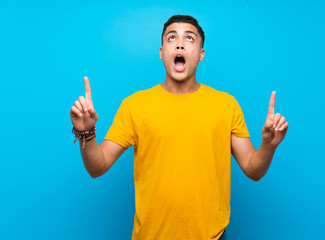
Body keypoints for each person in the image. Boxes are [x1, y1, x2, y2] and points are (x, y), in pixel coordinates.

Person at [70, 15, 288, 240]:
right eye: (172, 37)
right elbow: (98, 167)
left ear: (201, 54)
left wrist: (268, 146)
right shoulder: (134, 105)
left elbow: (253, 170)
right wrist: (85, 132)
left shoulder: (226, 105)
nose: (181, 43)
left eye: (190, 38)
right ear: (162, 52)